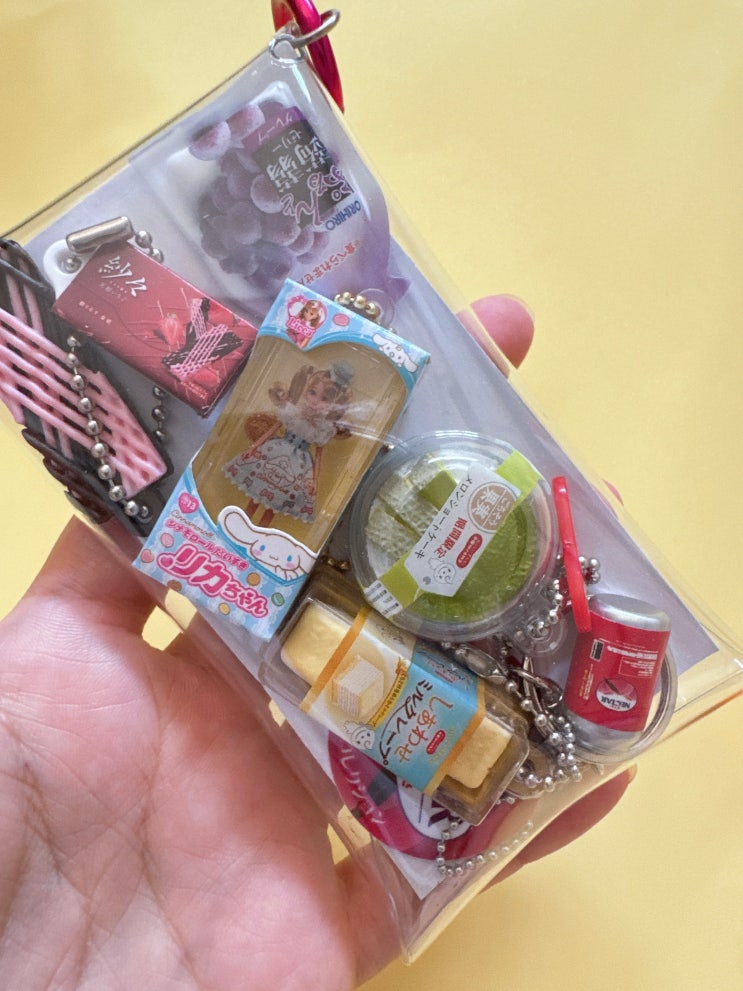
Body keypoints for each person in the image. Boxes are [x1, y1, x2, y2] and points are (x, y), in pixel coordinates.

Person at [0, 296, 632, 990]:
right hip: (279, 526)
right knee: (261, 503)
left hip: (326, 554)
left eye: (331, 389)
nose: (324, 393)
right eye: (320, 386)